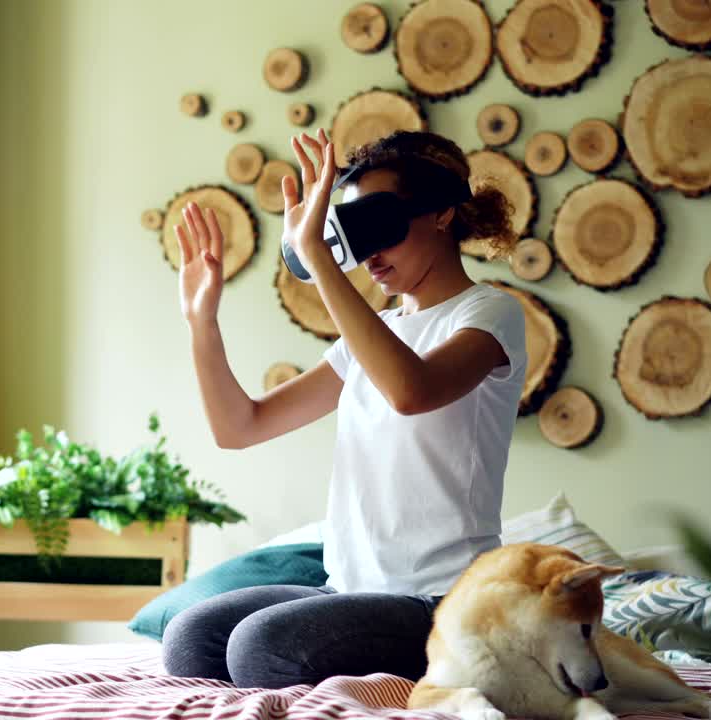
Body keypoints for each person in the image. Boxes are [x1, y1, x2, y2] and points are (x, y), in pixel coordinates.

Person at [162, 129, 528, 689]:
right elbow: (240, 427)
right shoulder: (374, 332)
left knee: (259, 650)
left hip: (442, 601)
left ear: (442, 215)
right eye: (354, 234)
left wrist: (317, 257)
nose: (369, 254)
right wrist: (201, 322)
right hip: (349, 587)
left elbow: (411, 391)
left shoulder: (488, 313)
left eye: (381, 227)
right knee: (192, 639)